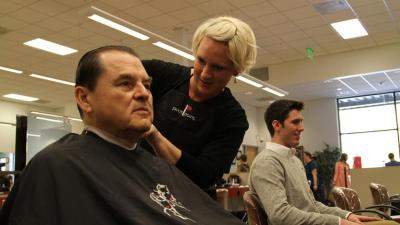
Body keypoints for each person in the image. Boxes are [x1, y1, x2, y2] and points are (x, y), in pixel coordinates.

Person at [0, 46, 245, 225]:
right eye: (125, 84)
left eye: (147, 86)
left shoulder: (159, 166)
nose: (143, 94)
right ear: (85, 98)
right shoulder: (56, 166)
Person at [142, 16, 257, 191]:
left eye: (218, 68)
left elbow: (204, 175)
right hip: (135, 182)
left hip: (181, 198)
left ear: (236, 70)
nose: (204, 74)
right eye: (201, 61)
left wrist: (155, 138)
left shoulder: (233, 118)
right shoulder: (161, 74)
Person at [249, 99, 380, 225]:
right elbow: (281, 215)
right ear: (276, 125)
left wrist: (346, 215)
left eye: (301, 121)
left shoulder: (294, 160)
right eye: (295, 122)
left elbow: (312, 205)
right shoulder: (267, 162)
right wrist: (338, 222)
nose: (301, 128)